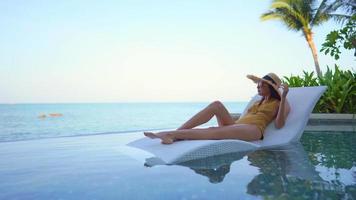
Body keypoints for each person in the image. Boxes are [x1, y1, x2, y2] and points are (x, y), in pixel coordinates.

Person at [144, 73, 290, 144]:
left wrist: (283, 98)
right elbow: (241, 118)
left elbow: (279, 125)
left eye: (262, 84)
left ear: (271, 87)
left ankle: (170, 134)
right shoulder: (256, 102)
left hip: (253, 130)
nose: (258, 86)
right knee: (216, 105)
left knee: (213, 131)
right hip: (238, 125)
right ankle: (176, 133)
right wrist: (230, 119)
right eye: (258, 84)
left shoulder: (279, 103)